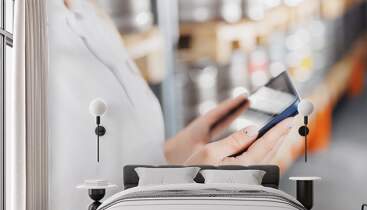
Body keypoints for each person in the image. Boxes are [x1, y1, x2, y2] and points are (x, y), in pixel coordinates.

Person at [61, 0, 293, 167]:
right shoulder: (31, 39)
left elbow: (127, 161)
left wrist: (180, 151)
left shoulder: (90, 14)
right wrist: (193, 188)